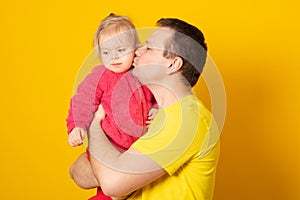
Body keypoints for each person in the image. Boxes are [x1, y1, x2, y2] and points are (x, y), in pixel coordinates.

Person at [70, 17, 220, 200]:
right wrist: (113, 167)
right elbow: (77, 172)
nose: (138, 50)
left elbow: (111, 183)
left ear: (173, 64)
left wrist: (94, 123)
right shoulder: (152, 116)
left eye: (148, 47)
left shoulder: (186, 120)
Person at [66, 13, 157, 200]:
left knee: (124, 191)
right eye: (106, 52)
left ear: (135, 49)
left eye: (121, 50)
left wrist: (156, 109)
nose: (113, 57)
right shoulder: (101, 75)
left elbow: (158, 95)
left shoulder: (143, 74)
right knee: (112, 193)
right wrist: (76, 126)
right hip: (109, 146)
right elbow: (82, 101)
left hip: (136, 150)